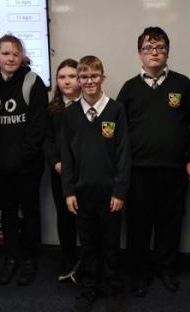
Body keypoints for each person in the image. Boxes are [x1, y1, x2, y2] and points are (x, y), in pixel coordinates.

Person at [117, 26, 190, 297]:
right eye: (148, 48)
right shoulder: (129, 88)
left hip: (174, 169)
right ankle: (140, 273)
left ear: (167, 52)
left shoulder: (183, 85)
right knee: (138, 224)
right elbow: (119, 132)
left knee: (170, 222)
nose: (154, 52)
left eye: (160, 47)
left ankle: (166, 269)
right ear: (139, 53)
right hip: (138, 171)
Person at [61, 55, 131, 312]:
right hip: (82, 193)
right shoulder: (70, 114)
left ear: (102, 78)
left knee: (111, 244)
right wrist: (68, 191)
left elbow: (124, 154)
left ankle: (113, 288)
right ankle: (89, 287)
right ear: (78, 81)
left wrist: (120, 191)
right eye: (84, 77)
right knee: (88, 244)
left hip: (110, 193)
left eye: (94, 76)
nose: (89, 81)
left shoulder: (116, 110)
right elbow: (66, 156)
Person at [0, 35, 48, 286]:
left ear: (22, 57)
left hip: (27, 165)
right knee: (8, 212)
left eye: (16, 54)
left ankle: (29, 260)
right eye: (6, 53)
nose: (11, 58)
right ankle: (11, 258)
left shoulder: (33, 82)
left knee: (30, 211)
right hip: (0, 166)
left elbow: (38, 126)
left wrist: (21, 158)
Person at [44, 58, 81, 282]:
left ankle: (88, 262)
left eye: (72, 76)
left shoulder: (89, 106)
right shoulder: (52, 110)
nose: (66, 81)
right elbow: (47, 140)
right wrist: (55, 163)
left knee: (87, 218)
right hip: (60, 173)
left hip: (86, 173)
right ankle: (68, 260)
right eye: (62, 77)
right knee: (65, 217)